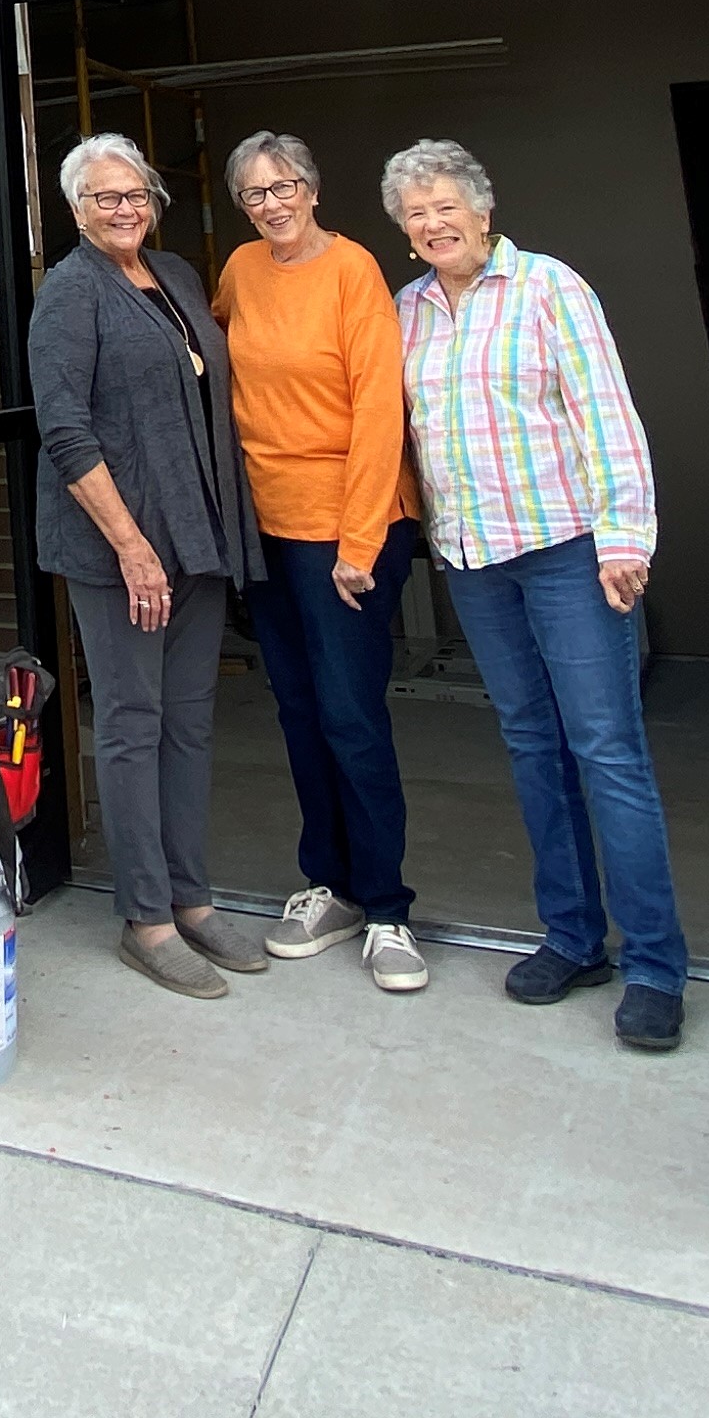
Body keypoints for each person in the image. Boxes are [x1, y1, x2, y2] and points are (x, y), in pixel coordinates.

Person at [383, 137, 692, 1051]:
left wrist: (625, 537)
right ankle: (571, 937)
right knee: (530, 744)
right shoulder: (408, 311)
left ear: (482, 209)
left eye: (445, 207)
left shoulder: (551, 287)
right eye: (415, 215)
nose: (433, 224)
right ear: (405, 235)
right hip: (475, 559)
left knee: (607, 749)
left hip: (567, 551)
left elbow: (607, 412)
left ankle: (655, 965)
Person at [27, 131, 268, 999]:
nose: (123, 209)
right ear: (76, 209)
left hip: (195, 536)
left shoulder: (176, 276)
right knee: (132, 723)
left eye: (134, 195)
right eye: (104, 198)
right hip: (120, 549)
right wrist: (131, 547)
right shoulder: (68, 294)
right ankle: (147, 918)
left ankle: (193, 899)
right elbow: (66, 432)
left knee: (190, 723)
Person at [210, 130, 431, 996]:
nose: (272, 202)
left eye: (286, 184)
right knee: (299, 711)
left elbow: (381, 407)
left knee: (351, 716)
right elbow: (217, 365)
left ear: (312, 188)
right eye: (255, 192)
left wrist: (360, 541)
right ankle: (327, 885)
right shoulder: (238, 270)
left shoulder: (353, 271)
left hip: (348, 526)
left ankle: (387, 907)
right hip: (268, 528)